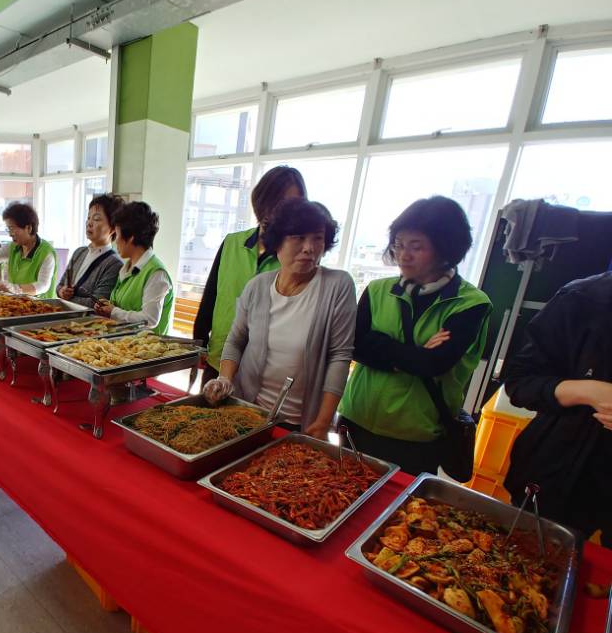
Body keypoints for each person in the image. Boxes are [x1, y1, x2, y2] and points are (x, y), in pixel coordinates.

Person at [338, 196, 492, 474]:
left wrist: (381, 347)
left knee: (401, 500)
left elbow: (435, 363)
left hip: (416, 436)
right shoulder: (378, 290)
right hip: (356, 420)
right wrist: (415, 355)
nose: (403, 255)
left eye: (416, 246)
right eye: (399, 244)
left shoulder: (470, 303)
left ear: (445, 248)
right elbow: (354, 345)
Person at [203, 199, 355, 439]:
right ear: (278, 242)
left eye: (318, 238)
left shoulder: (338, 285)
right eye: (299, 238)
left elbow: (340, 356)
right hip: (247, 411)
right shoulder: (257, 286)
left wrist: (323, 422)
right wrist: (225, 378)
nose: (309, 248)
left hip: (299, 421)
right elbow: (236, 340)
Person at [502, 271, 612, 546]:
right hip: (558, 472)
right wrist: (588, 391)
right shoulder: (582, 298)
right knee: (527, 554)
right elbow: (519, 382)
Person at [194, 166, 306, 384]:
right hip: (218, 360)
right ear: (261, 201)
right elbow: (211, 295)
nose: (286, 211)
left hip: (264, 373)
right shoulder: (232, 243)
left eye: (295, 204)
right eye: (279, 202)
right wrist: (199, 341)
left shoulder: (298, 257)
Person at [94, 202, 173, 333]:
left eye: (117, 235)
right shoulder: (127, 268)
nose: (115, 241)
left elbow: (150, 319)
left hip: (146, 344)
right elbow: (122, 306)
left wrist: (113, 311)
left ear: (130, 238)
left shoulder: (156, 273)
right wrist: (107, 306)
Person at [57, 193, 123, 307]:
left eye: (96, 219)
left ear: (113, 228)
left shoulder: (114, 263)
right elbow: (60, 285)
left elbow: (98, 302)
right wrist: (61, 292)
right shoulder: (79, 252)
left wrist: (68, 299)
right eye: (88, 218)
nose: (89, 223)